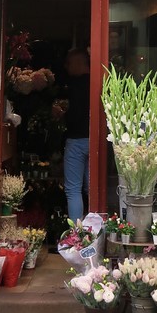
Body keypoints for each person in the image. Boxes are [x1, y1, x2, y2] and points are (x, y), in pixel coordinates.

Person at [63, 48, 90, 222]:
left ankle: (75, 233)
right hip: (94, 139)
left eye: (70, 63)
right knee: (93, 189)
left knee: (73, 190)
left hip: (76, 140)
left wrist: (62, 114)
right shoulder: (99, 81)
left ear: (79, 63)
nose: (67, 67)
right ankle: (97, 232)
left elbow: (74, 114)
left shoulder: (74, 85)